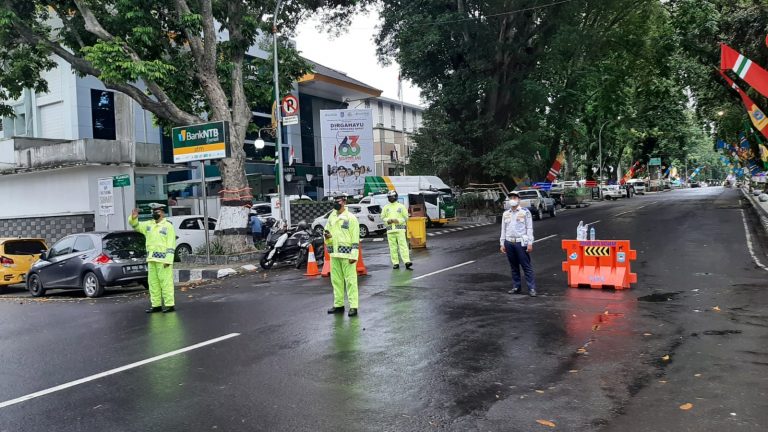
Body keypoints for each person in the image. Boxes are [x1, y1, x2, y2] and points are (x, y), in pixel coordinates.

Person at [129, 203, 177, 313]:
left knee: (166, 283)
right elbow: (135, 226)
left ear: (162, 212)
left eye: (156, 211)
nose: (154, 213)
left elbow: (171, 244)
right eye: (153, 211)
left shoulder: (168, 226)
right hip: (151, 260)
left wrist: (168, 260)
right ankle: (156, 305)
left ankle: (169, 305)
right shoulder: (149, 225)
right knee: (153, 284)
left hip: (163, 260)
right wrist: (133, 218)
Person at [324, 194, 360, 317]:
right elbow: (326, 232)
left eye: (337, 201)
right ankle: (338, 305)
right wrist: (327, 237)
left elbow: (355, 238)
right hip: (334, 254)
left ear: (344, 201)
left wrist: (354, 256)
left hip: (347, 255)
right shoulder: (331, 217)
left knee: (350, 281)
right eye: (334, 200)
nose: (335, 202)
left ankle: (353, 306)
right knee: (336, 281)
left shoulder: (351, 218)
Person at [499, 191, 536, 297]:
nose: (513, 199)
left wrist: (530, 243)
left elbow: (529, 228)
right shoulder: (506, 213)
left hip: (521, 242)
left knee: (526, 266)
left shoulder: (525, 212)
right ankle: (516, 287)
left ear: (519, 199)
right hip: (509, 242)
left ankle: (532, 288)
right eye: (511, 197)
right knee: (514, 266)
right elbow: (503, 229)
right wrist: (502, 243)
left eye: (515, 197)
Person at [381, 190, 412, 270]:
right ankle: (395, 263)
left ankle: (407, 261)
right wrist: (388, 220)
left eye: (392, 196)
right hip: (390, 230)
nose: (390, 198)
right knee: (392, 248)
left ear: (396, 197)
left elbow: (406, 217)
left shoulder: (401, 206)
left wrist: (398, 220)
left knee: (403, 246)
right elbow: (382, 217)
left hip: (400, 230)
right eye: (389, 197)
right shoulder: (386, 207)